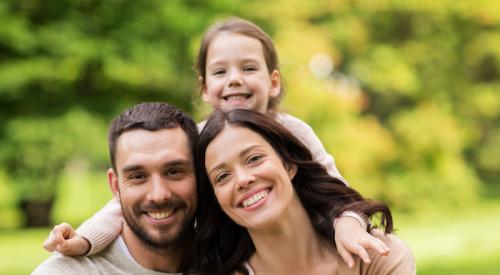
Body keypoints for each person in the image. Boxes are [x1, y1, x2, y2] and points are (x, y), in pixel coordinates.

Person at [43, 17, 387, 267]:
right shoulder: (198, 139)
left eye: (248, 68)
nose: (234, 80)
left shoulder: (293, 131)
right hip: (231, 256)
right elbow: (129, 199)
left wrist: (349, 224)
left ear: (274, 81)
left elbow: (337, 190)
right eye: (221, 72)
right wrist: (86, 240)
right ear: (205, 88)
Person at [190, 108, 416, 275]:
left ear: (288, 165)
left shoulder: (375, 257)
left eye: (254, 159)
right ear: (216, 199)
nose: (242, 180)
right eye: (222, 177)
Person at [33, 102, 199, 274]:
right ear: (115, 186)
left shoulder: (226, 260)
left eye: (174, 172)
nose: (158, 195)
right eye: (138, 176)